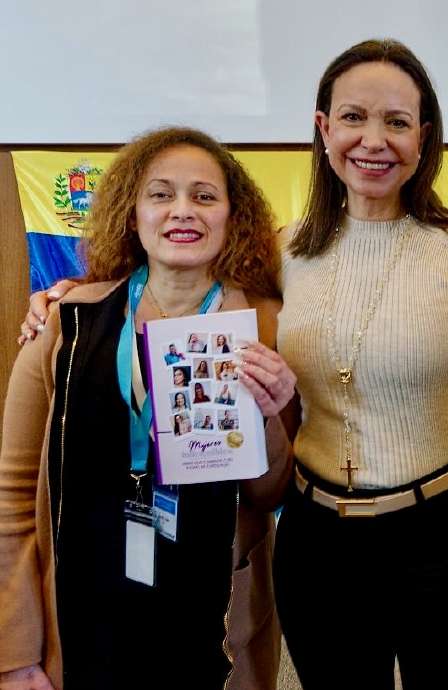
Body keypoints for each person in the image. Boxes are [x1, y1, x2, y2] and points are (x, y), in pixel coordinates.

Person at [273, 38, 448, 689]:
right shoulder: (282, 252)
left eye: (396, 122)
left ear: (423, 138)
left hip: (445, 536)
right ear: (323, 130)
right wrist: (61, 298)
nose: (374, 140)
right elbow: (178, 286)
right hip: (317, 541)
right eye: (354, 118)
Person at [0, 127, 298, 690]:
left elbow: (270, 495)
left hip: (211, 624)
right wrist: (15, 654)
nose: (182, 210)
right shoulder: (65, 325)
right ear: (131, 214)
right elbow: (13, 498)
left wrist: (268, 413)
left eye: (204, 196)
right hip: (84, 619)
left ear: (233, 216)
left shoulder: (266, 326)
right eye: (161, 194)